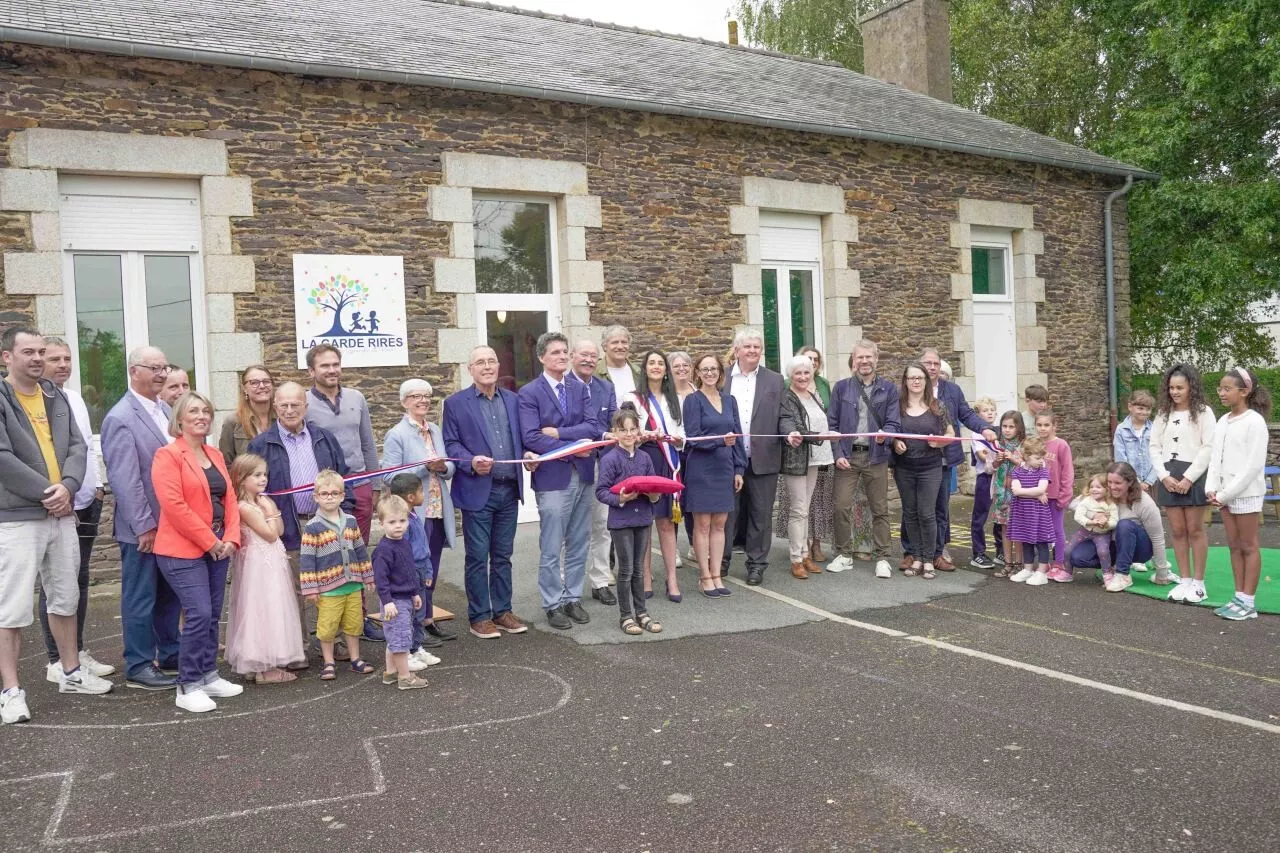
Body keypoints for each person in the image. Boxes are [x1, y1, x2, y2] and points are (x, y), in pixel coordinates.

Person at [1, 328, 108, 725]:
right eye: (28, 351)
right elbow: (2, 456)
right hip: (17, 518)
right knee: (11, 608)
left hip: (60, 514)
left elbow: (79, 447)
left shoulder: (55, 395)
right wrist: (50, 491)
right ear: (6, 357)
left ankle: (71, 672)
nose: (37, 358)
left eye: (41, 352)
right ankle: (10, 691)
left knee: (65, 597)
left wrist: (68, 486)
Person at [151, 391, 243, 713]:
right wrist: (210, 541)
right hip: (181, 550)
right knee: (199, 613)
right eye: (194, 411)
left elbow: (229, 498)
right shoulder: (167, 456)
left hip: (218, 546)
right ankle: (187, 684)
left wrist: (231, 537)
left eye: (206, 410)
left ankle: (208, 674)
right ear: (179, 420)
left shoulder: (215, 454)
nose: (202, 416)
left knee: (212, 614)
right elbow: (174, 506)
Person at [100, 345, 181, 690]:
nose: (162, 374)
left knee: (169, 594)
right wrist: (143, 524)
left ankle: (171, 652)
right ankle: (138, 664)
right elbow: (125, 479)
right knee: (140, 596)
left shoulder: (164, 410)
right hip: (144, 529)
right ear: (134, 371)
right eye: (155, 368)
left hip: (173, 525)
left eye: (164, 368)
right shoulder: (120, 417)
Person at [441, 346, 531, 640]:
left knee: (503, 555)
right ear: (470, 369)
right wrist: (470, 462)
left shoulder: (514, 400)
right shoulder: (455, 404)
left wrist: (530, 453)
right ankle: (479, 616)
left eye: (492, 360)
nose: (488, 366)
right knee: (478, 557)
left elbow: (523, 437)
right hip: (478, 490)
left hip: (509, 489)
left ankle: (502, 611)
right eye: (481, 362)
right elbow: (451, 444)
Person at [38, 338, 114, 681]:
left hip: (86, 500)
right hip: (58, 503)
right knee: (55, 582)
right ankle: (57, 659)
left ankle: (77, 651)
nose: (63, 364)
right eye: (55, 359)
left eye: (67, 358)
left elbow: (85, 445)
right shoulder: (37, 401)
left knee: (79, 579)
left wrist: (97, 486)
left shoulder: (75, 398)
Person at [518, 331, 602, 629]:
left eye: (565, 351)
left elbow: (592, 427)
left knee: (579, 541)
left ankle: (572, 598)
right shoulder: (529, 393)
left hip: (584, 475)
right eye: (555, 352)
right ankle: (553, 604)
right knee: (552, 545)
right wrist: (572, 447)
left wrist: (560, 435)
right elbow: (530, 436)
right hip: (553, 478)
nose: (563, 356)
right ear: (542, 357)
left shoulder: (579, 389)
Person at [381, 378, 456, 641]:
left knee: (430, 568)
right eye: (415, 396)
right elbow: (389, 477)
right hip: (413, 513)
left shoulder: (435, 429)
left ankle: (427, 618)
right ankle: (413, 627)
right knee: (412, 569)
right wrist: (424, 467)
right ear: (404, 402)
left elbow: (449, 467)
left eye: (426, 396)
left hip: (436, 508)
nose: (423, 400)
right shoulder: (396, 434)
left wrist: (443, 468)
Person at [224, 452, 305, 684]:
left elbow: (279, 530)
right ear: (241, 479)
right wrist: (270, 510)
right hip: (259, 566)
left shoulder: (259, 502)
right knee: (260, 610)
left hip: (270, 561)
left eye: (264, 475)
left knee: (274, 606)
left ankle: (260, 664)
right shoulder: (245, 507)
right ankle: (263, 667)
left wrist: (271, 509)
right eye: (256, 475)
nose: (263, 479)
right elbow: (270, 534)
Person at [916, 349, 997, 570]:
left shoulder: (952, 390)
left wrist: (985, 429)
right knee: (916, 507)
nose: (932, 367)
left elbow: (967, 414)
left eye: (936, 363)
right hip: (915, 458)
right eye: (928, 363)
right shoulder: (911, 387)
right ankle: (913, 551)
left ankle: (939, 549)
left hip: (942, 457)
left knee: (940, 506)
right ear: (919, 365)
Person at [249, 382, 353, 553]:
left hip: (329, 525)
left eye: (295, 405)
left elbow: (344, 478)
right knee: (295, 580)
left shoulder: (325, 438)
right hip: (288, 531)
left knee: (331, 578)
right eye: (284, 405)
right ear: (275, 407)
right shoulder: (260, 445)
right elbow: (253, 491)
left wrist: (344, 516)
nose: (289, 411)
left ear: (305, 407)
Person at [827, 341, 899, 579]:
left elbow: (893, 422)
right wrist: (838, 454)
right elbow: (833, 425)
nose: (864, 362)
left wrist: (885, 435)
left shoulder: (888, 389)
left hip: (875, 456)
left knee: (880, 508)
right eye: (860, 358)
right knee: (841, 507)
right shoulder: (841, 388)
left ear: (876, 359)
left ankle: (883, 557)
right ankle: (844, 554)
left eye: (869, 357)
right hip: (848, 455)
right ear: (853, 360)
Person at [1207, 367, 1271, 620]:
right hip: (1224, 494)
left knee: (1248, 545)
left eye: (1227, 389)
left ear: (1244, 392)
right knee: (1233, 546)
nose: (1221, 393)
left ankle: (1248, 601)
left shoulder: (1254, 422)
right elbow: (1215, 458)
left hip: (1245, 494)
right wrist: (1211, 488)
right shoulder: (1223, 421)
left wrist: (1224, 494)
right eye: (1220, 388)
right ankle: (1237, 596)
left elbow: (1253, 466)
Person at [722, 328, 785, 586]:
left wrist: (790, 433)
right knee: (727, 514)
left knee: (761, 515)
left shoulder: (775, 380)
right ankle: (721, 561)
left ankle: (756, 565)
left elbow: (783, 415)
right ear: (737, 350)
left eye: (757, 347)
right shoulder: (722, 378)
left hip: (764, 458)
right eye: (747, 347)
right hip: (727, 458)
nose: (752, 351)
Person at [595, 404, 664, 636]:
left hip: (643, 519)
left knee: (639, 570)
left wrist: (654, 495)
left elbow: (654, 486)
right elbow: (601, 491)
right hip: (621, 521)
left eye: (633, 429)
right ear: (615, 432)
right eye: (623, 430)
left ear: (638, 432)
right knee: (625, 570)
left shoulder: (645, 457)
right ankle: (626, 615)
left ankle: (642, 612)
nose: (628, 435)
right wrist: (621, 498)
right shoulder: (609, 459)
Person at [299, 469, 375, 680]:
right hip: (328, 590)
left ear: (343, 496)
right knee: (327, 627)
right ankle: (329, 662)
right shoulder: (313, 527)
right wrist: (310, 588)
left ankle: (355, 659)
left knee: (354, 623)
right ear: (316, 497)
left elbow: (360, 549)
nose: (330, 497)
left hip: (353, 586)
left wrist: (367, 576)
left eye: (334, 493)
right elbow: (307, 561)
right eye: (324, 493)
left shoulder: (350, 521)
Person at [1149, 363, 1215, 597]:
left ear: (1191, 387)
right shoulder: (1162, 414)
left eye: (1180, 388)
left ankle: (1199, 583)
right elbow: (1154, 446)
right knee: (1177, 530)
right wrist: (1164, 477)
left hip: (1193, 475)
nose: (1175, 392)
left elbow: (1208, 447)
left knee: (1195, 529)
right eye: (1171, 388)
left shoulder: (1204, 412)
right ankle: (1184, 580)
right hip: (1168, 475)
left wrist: (1188, 478)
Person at [683, 353, 745, 597]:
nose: (709, 373)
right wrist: (720, 441)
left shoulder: (730, 400)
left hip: (724, 468)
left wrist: (739, 468)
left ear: (721, 372)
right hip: (701, 468)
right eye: (704, 369)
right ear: (697, 373)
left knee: (720, 524)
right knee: (703, 525)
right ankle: (704, 576)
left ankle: (717, 575)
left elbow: (737, 436)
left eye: (714, 369)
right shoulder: (692, 400)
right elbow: (693, 438)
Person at [306, 345, 380, 543]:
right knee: (330, 547)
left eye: (335, 364)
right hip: (326, 488)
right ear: (311, 371)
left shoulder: (357, 397)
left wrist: (375, 485)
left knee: (359, 547)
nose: (332, 370)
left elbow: (367, 443)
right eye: (324, 366)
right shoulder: (303, 403)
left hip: (360, 484)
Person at [630, 350, 685, 601]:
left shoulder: (676, 401)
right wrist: (640, 435)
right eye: (651, 362)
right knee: (644, 523)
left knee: (666, 522)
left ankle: (672, 578)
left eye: (660, 363)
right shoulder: (632, 398)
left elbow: (684, 435)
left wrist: (677, 440)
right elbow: (625, 430)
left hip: (667, 463)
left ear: (666, 370)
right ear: (645, 368)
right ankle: (645, 575)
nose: (656, 366)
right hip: (643, 461)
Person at [1068, 462, 1171, 592]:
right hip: (1112, 543)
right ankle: (1111, 568)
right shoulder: (1104, 493)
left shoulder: (1144, 502)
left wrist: (1162, 573)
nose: (1112, 487)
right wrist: (1094, 514)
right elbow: (1074, 504)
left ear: (1130, 482)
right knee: (1077, 557)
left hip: (1140, 548)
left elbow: (1157, 538)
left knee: (1124, 524)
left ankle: (1123, 574)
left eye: (1117, 483)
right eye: (1109, 482)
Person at [892, 361, 953, 579]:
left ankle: (928, 558)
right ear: (905, 381)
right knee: (910, 513)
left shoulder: (937, 406)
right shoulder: (896, 406)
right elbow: (890, 432)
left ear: (926, 381)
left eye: (920, 377)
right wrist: (895, 442)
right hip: (904, 468)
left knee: (927, 513)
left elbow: (950, 434)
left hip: (930, 467)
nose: (916, 381)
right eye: (911, 378)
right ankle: (916, 556)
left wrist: (940, 443)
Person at [570, 338, 619, 606]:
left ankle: (600, 581)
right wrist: (599, 432)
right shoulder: (564, 387)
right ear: (572, 356)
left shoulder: (605, 387)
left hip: (604, 464)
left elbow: (612, 418)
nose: (589, 360)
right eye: (583, 355)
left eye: (593, 356)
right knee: (574, 528)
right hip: (574, 465)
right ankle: (569, 585)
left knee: (602, 526)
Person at [777, 354, 834, 580]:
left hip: (815, 456)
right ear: (791, 376)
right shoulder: (787, 397)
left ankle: (805, 553)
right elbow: (793, 425)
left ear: (813, 374)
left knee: (806, 508)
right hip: (796, 458)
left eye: (806, 372)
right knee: (798, 509)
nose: (802, 376)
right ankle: (796, 558)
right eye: (798, 373)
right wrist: (821, 436)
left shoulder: (813, 395)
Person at [371, 494, 429, 689]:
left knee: (395, 636)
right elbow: (381, 580)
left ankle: (391, 673)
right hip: (394, 602)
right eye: (392, 522)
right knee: (401, 638)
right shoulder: (383, 550)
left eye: (402, 521)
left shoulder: (403, 542)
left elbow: (408, 570)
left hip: (405, 597)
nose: (398, 526)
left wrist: (414, 593)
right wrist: (387, 601)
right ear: (381, 523)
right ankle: (405, 677)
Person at [386, 473, 441, 667]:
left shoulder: (414, 515)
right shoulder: (403, 523)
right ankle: (406, 653)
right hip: (409, 574)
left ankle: (416, 648)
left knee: (419, 613)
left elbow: (423, 549)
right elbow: (404, 553)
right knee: (407, 616)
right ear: (410, 497)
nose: (423, 494)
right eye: (420, 491)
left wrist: (427, 571)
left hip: (420, 571)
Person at [795, 345, 833, 562]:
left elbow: (830, 412)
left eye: (815, 359)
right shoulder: (788, 384)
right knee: (801, 503)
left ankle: (816, 542)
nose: (811, 362)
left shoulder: (823, 384)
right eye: (807, 358)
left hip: (823, 450)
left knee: (820, 500)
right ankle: (802, 545)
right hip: (799, 451)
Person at [1007, 437, 1055, 586]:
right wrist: (1035, 493)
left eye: (1042, 457)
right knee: (1026, 541)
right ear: (1026, 457)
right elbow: (1015, 490)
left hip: (1038, 513)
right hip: (1023, 513)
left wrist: (1027, 491)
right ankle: (1027, 569)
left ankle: (1042, 572)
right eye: (1037, 458)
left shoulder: (1043, 471)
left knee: (1042, 541)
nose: (1041, 461)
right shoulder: (1017, 471)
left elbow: (1041, 488)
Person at [1033, 411, 1074, 582]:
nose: (1042, 428)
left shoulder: (1061, 445)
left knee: (1057, 530)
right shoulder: (1034, 444)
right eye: (1039, 425)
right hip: (1037, 496)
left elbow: (1067, 472)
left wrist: (1065, 496)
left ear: (1054, 426)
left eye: (1046, 425)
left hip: (1055, 496)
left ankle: (1059, 563)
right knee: (1040, 530)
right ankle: (1044, 563)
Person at [989, 411, 1026, 578]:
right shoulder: (998, 445)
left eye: (1011, 426)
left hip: (1017, 493)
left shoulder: (1024, 445)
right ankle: (1008, 563)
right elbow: (990, 468)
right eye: (1004, 426)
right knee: (1005, 528)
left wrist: (1014, 458)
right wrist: (997, 460)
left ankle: (1020, 563)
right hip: (1001, 493)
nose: (1007, 430)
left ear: (1019, 428)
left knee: (1017, 528)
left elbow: (1030, 467)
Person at [967, 397, 1002, 570]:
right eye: (985, 410)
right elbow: (982, 455)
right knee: (980, 516)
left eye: (992, 409)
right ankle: (978, 553)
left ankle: (1001, 550)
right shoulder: (976, 434)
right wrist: (994, 456)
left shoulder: (1000, 431)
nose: (989, 412)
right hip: (985, 478)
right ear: (977, 415)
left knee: (1001, 514)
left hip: (1002, 478)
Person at [1064, 474, 1119, 577]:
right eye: (1092, 487)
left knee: (1103, 552)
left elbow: (1114, 520)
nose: (1094, 489)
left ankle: (1107, 574)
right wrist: (1092, 520)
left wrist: (1107, 524)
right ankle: (1067, 572)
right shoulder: (1086, 500)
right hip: (1084, 531)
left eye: (1098, 487)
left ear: (1107, 489)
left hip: (1102, 533)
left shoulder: (1111, 504)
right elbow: (1078, 516)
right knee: (1067, 549)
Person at [219, 365, 275, 463]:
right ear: (244, 389)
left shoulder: (281, 419)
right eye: (254, 383)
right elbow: (226, 464)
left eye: (266, 381)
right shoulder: (233, 422)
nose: (262, 386)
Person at [1113, 389, 1156, 491]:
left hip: (1153, 483)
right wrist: (1135, 481)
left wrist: (1149, 481)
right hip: (1130, 483)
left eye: (1148, 409)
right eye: (1140, 408)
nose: (1144, 412)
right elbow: (1121, 459)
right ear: (1130, 407)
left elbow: (1159, 456)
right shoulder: (1121, 430)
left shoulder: (1155, 429)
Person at [598, 325, 641, 401]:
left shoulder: (638, 372)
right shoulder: (594, 373)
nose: (620, 347)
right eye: (615, 342)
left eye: (624, 342)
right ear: (605, 346)